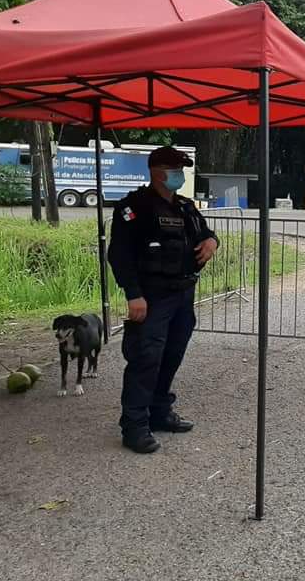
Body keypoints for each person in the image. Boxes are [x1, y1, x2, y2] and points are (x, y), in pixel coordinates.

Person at [107, 146, 219, 454]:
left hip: (183, 295)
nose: (179, 174)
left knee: (171, 355)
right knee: (146, 359)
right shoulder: (134, 208)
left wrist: (212, 242)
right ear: (157, 171)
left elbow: (207, 233)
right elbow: (119, 255)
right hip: (151, 297)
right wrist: (134, 295)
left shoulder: (184, 206)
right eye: (175, 168)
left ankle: (159, 412)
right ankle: (134, 426)